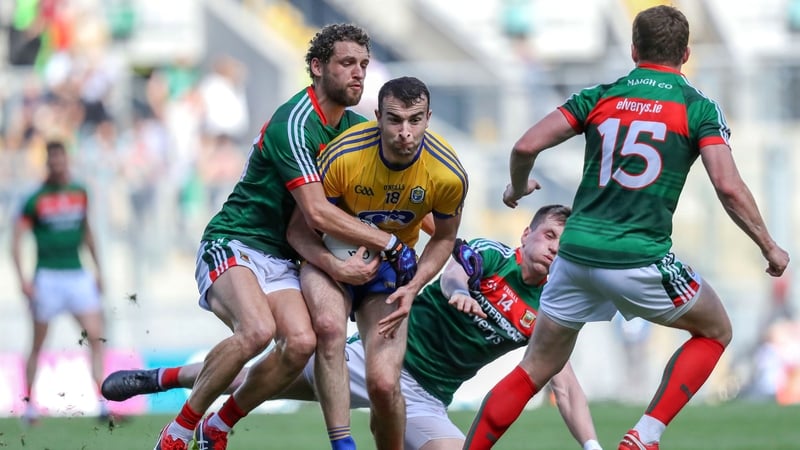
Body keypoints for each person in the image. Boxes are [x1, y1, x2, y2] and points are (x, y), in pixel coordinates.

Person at [464, 5, 790, 450]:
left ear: (634, 49)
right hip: (640, 257)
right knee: (716, 331)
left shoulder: (601, 96)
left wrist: (517, 188)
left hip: (575, 255)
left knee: (534, 370)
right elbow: (728, 187)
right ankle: (644, 435)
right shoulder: (696, 109)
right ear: (687, 53)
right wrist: (769, 246)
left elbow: (525, 145)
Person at [103, 205, 605, 450]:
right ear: (527, 233)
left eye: (565, 241)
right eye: (549, 234)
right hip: (373, 356)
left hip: (425, 399)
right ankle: (161, 379)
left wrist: (592, 447)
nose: (554, 247)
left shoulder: (553, 310)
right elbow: (454, 266)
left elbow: (562, 382)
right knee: (255, 376)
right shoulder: (495, 257)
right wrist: (455, 291)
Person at [151, 24, 418, 450]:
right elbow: (314, 211)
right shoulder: (294, 122)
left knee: (301, 344)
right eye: (347, 63)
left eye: (364, 65)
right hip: (236, 240)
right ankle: (178, 433)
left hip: (282, 255)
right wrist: (388, 244)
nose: (358, 74)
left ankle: (218, 427)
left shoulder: (354, 129)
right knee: (256, 330)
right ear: (316, 67)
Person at [285, 76, 467, 450]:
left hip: (390, 274)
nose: (405, 131)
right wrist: (336, 267)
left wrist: (413, 288)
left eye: (415, 120)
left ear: (429, 118)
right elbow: (299, 233)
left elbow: (444, 237)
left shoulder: (448, 173)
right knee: (329, 328)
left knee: (384, 385)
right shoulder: (343, 155)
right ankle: (343, 444)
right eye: (395, 120)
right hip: (327, 260)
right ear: (377, 117)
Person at [11, 140, 107, 424]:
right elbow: (15, 240)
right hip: (48, 276)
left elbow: (87, 231)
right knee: (38, 342)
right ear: (47, 164)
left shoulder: (80, 193)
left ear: (67, 160)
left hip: (77, 274)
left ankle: (102, 402)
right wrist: (23, 278)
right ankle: (29, 405)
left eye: (60, 159)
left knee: (96, 336)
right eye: (52, 160)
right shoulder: (34, 198)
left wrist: (99, 269)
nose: (57, 165)